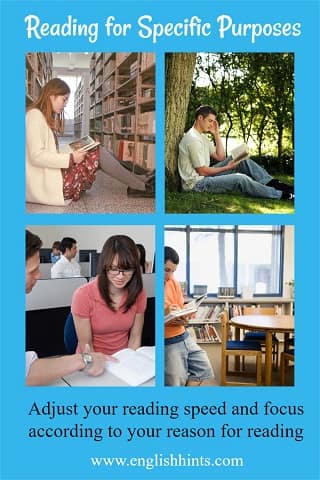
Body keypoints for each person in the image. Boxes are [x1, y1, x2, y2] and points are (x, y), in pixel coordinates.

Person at [26, 78, 154, 206]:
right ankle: (141, 185)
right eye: (64, 99)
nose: (65, 104)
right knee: (98, 152)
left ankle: (142, 180)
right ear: (51, 96)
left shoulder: (40, 116)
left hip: (54, 179)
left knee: (96, 148)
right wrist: (71, 158)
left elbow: (50, 151)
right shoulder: (35, 116)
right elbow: (36, 156)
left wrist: (72, 149)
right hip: (52, 186)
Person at [25, 230, 114, 386]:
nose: (39, 275)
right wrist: (85, 360)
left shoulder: (75, 265)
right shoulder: (59, 268)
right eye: (33, 271)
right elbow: (24, 371)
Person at [178, 105, 294, 201]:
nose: (211, 124)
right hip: (196, 185)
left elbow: (220, 156)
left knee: (241, 160)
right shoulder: (192, 139)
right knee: (240, 179)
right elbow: (202, 171)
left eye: (213, 122)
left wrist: (216, 134)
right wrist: (227, 167)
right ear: (200, 118)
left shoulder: (202, 137)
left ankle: (273, 183)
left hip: (203, 176)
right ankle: (283, 195)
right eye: (210, 121)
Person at [71, 235, 147, 355]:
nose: (120, 276)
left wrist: (131, 362)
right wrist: (97, 366)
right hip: (92, 360)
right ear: (104, 266)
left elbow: (135, 337)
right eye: (114, 268)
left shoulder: (139, 293)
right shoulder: (83, 295)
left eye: (127, 269)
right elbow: (86, 346)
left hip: (123, 360)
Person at [164, 246, 215, 386]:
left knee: (203, 368)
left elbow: (179, 308)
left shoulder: (173, 282)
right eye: (166, 270)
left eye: (173, 271)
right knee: (176, 380)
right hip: (167, 340)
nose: (170, 275)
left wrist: (184, 317)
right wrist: (166, 312)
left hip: (183, 334)